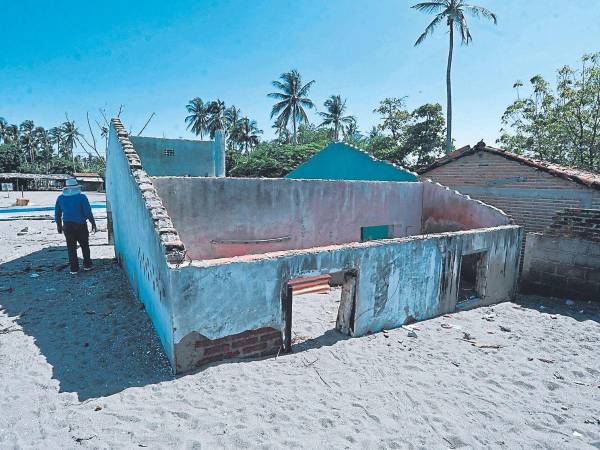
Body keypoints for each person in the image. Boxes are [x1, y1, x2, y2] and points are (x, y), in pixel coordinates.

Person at [54, 178, 97, 274]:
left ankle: (74, 269)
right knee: (85, 245)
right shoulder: (82, 197)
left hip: (67, 226)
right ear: (77, 187)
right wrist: (93, 223)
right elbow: (88, 212)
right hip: (81, 225)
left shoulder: (60, 198)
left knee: (71, 248)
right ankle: (87, 265)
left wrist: (59, 226)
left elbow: (57, 213)